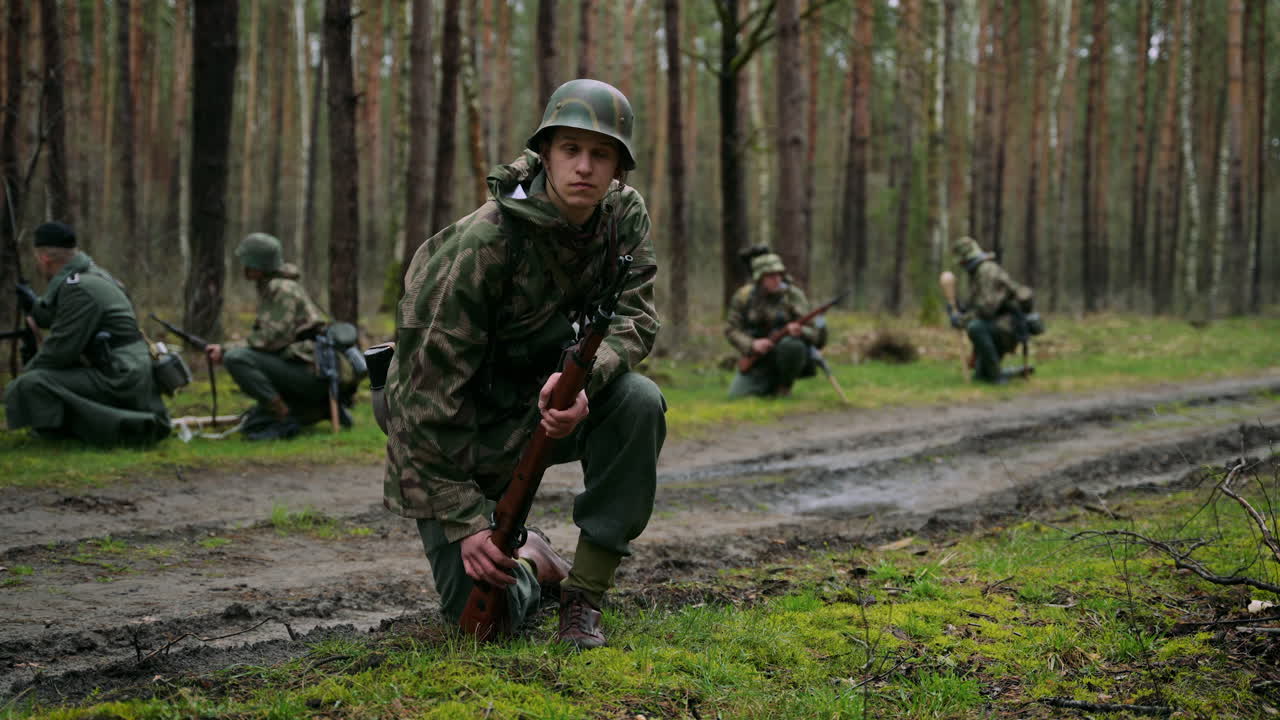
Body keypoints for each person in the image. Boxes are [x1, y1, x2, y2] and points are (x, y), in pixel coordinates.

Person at [382, 78, 665, 649]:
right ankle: (534, 558)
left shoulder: (622, 220)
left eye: (601, 152)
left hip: (550, 408)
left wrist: (588, 381)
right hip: (460, 433)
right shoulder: (481, 246)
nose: (584, 166)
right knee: (486, 625)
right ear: (545, 153)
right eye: (570, 149)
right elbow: (420, 398)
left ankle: (584, 595)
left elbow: (637, 315)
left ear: (619, 167)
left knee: (638, 400)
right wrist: (464, 522)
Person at [3, 222, 170, 444]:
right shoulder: (92, 275)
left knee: (32, 383)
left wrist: (21, 381)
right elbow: (55, 314)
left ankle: (63, 433)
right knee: (39, 379)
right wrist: (34, 305)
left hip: (119, 375)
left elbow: (59, 352)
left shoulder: (79, 289)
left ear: (44, 258)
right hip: (126, 368)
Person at [204, 233, 349, 440]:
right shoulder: (277, 286)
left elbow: (271, 338)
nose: (244, 267)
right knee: (240, 357)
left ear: (257, 264)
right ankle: (310, 410)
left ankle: (283, 417)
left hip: (313, 373)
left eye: (247, 262)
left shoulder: (281, 288)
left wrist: (226, 349)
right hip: (309, 367)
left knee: (236, 358)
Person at [725, 252, 824, 398]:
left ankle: (784, 387)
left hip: (786, 353)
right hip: (758, 357)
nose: (777, 279)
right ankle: (770, 385)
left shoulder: (793, 296)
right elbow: (731, 330)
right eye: (770, 276)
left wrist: (800, 331)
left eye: (779, 274)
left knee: (792, 345)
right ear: (759, 278)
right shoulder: (743, 297)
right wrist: (752, 344)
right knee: (736, 396)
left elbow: (815, 333)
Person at [947, 236, 1036, 384]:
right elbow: (976, 305)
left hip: (1007, 327)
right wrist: (959, 309)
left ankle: (997, 377)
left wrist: (962, 320)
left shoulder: (986, 271)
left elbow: (986, 310)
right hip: (998, 326)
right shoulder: (980, 273)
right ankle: (1010, 373)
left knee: (975, 327)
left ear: (965, 260)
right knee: (981, 377)